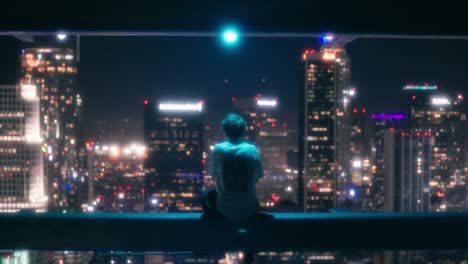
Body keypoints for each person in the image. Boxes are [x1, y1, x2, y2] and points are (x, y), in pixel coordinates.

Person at [202, 113, 264, 221]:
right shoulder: (251, 149)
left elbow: (212, 175)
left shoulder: (218, 149)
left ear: (224, 130)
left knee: (206, 194)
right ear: (243, 130)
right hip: (249, 209)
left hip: (224, 210)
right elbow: (258, 176)